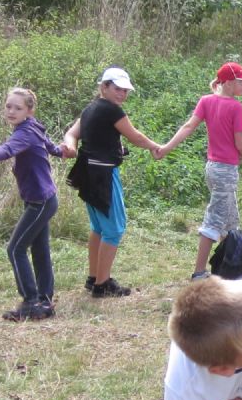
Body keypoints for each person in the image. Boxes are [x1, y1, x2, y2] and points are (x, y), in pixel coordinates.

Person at [62, 67, 167, 299]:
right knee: (115, 229)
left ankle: (93, 278)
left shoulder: (90, 109)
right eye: (117, 89)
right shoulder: (111, 110)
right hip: (103, 174)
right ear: (104, 87)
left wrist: (70, 146)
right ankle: (102, 285)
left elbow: (71, 133)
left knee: (99, 228)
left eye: (125, 90)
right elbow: (134, 136)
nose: (122, 94)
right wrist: (155, 146)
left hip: (87, 172)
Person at [159, 59, 242, 281]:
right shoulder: (235, 107)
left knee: (231, 221)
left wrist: (166, 148)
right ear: (230, 83)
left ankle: (232, 266)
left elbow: (187, 127)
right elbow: (238, 142)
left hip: (212, 168)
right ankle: (198, 272)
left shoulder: (206, 101)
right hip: (225, 170)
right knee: (214, 220)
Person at [0, 87, 65, 321]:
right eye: (8, 106)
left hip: (40, 202)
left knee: (15, 249)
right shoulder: (32, 127)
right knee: (39, 249)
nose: (11, 111)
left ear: (29, 111)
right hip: (42, 198)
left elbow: (8, 149)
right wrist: (61, 152)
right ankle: (44, 301)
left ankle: (31, 301)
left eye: (18, 108)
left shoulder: (25, 132)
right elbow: (50, 146)